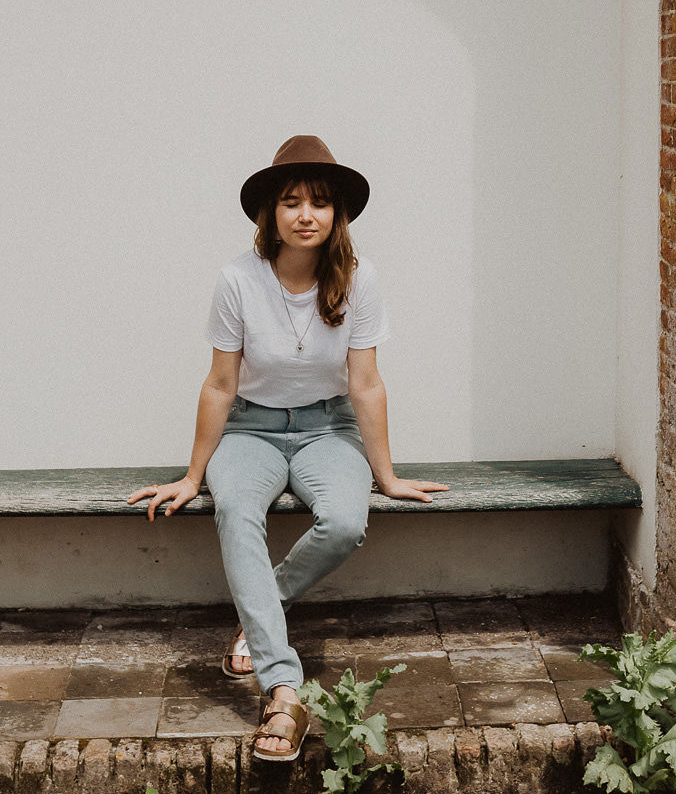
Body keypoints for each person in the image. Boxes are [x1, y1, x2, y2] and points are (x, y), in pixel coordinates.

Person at [128, 135, 447, 761]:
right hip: (250, 429)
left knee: (346, 522)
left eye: (321, 203)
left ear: (338, 215)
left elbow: (365, 383)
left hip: (328, 429)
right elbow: (221, 384)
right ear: (269, 212)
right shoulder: (237, 281)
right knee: (234, 509)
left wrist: (386, 475)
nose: (307, 214)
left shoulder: (359, 279)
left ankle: (258, 614)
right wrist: (194, 475)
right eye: (292, 201)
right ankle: (283, 689)